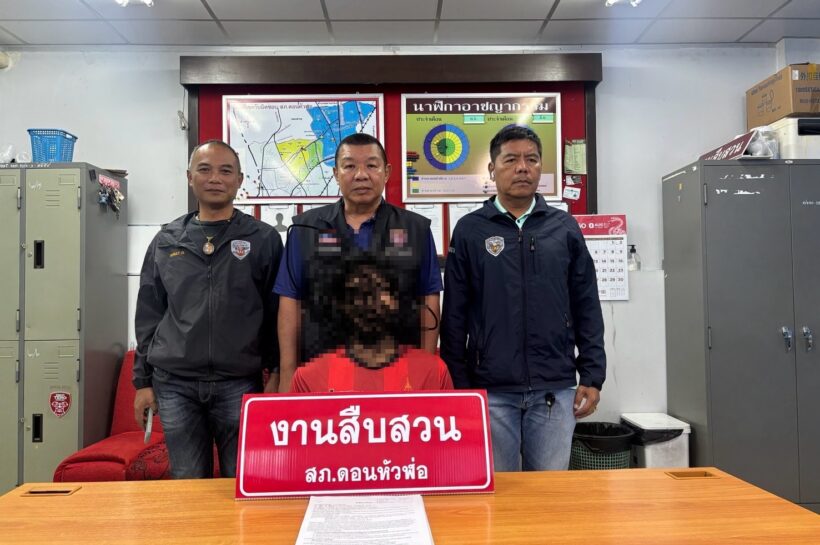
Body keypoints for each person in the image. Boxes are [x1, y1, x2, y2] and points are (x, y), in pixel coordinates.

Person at [440, 125, 605, 472]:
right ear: (492, 169)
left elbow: (586, 304)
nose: (522, 168)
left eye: (531, 159)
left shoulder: (563, 228)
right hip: (490, 391)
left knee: (550, 494)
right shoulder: (470, 230)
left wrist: (592, 375)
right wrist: (459, 384)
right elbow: (454, 314)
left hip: (554, 388)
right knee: (497, 491)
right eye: (511, 159)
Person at [133, 140, 283, 478]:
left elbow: (277, 313)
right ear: (190, 177)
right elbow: (149, 314)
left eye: (225, 171)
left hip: (239, 383)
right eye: (204, 169)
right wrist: (142, 382)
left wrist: (276, 373)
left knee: (241, 480)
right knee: (187, 482)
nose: (215, 178)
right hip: (175, 384)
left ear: (240, 180)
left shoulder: (263, 239)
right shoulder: (167, 240)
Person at [270, 133, 442, 393]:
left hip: (397, 375)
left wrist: (425, 370)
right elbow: (290, 301)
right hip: (321, 373)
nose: (361, 175)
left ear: (387, 172)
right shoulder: (306, 229)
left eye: (371, 165)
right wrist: (287, 375)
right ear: (335, 173)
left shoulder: (415, 228)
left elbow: (429, 298)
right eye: (350, 166)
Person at [290, 256, 453, 393]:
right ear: (341, 305)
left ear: (397, 300)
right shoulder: (308, 379)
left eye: (380, 288)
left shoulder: (434, 372)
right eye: (357, 291)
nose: (369, 301)